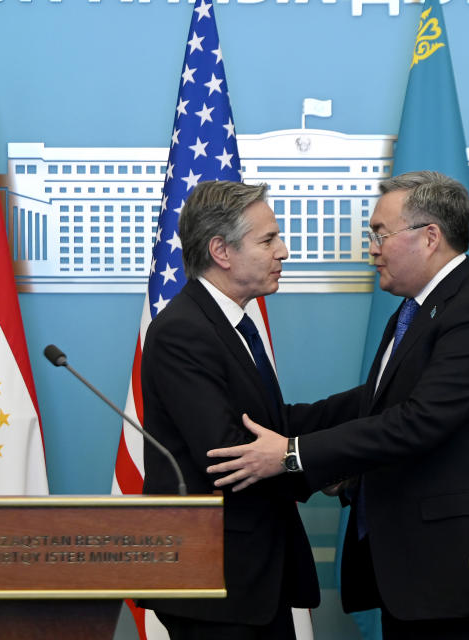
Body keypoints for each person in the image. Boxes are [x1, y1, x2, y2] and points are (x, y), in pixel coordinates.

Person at [207, 171, 469, 639]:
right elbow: (373, 405)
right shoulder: (416, 310)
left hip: (456, 577)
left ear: (430, 237)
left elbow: (418, 422)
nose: (372, 247)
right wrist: (282, 425)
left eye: (379, 234)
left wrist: (293, 453)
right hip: (413, 576)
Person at [137, 180, 337, 639]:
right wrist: (325, 462)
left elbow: (275, 427)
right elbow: (228, 455)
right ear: (221, 251)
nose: (283, 251)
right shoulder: (184, 331)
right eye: (268, 239)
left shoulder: (232, 324)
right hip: (217, 584)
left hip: (251, 579)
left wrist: (376, 399)